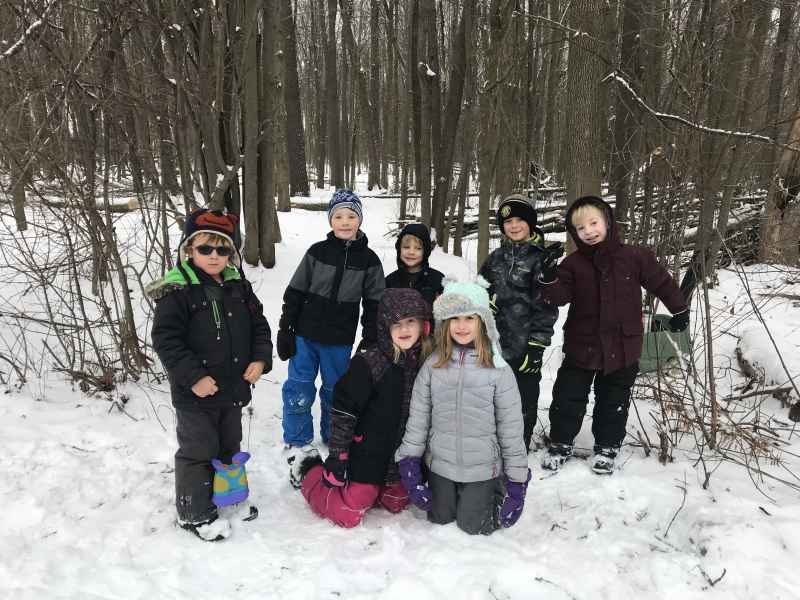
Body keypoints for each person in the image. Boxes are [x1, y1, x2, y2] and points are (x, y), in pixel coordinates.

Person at [539, 195, 689, 474]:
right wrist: (549, 278)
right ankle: (560, 442)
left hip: (623, 346)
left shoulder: (634, 257)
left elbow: (661, 282)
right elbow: (558, 297)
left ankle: (607, 447)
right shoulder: (572, 265)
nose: (589, 232)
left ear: (607, 222)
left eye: (594, 223)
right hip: (581, 346)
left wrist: (679, 309)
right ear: (574, 233)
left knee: (614, 400)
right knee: (568, 397)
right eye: (581, 229)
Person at [149, 209, 272, 541]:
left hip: (233, 388)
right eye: (205, 249)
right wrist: (193, 378)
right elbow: (166, 340)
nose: (215, 256)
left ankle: (227, 497)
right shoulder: (177, 291)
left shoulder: (238, 286)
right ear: (189, 250)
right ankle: (194, 512)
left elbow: (259, 326)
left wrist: (260, 359)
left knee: (229, 445)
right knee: (199, 448)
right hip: (197, 394)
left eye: (223, 250)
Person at [395, 279, 531, 535]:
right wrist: (410, 462)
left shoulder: (498, 370)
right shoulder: (433, 365)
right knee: (439, 518)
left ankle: (496, 489)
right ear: (444, 324)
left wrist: (517, 481)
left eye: (470, 317)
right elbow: (419, 418)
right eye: (454, 318)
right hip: (441, 465)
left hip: (481, 467)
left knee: (472, 527)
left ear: (483, 322)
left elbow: (511, 429)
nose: (461, 325)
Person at [293, 288, 434, 528]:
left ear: (424, 325)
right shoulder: (370, 363)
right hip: (367, 455)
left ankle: (381, 488)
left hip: (400, 458)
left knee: (397, 501)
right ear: (384, 326)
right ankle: (309, 471)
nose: (404, 329)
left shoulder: (427, 362)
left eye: (411, 321)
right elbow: (344, 410)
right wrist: (338, 456)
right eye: (396, 323)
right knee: (349, 514)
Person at [276, 189, 385, 485]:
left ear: (359, 220)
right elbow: (295, 291)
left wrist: (370, 338)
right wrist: (286, 328)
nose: (345, 221)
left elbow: (375, 304)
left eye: (351, 216)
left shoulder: (370, 261)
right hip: (305, 336)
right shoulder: (316, 253)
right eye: (338, 216)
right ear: (330, 220)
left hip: (339, 340)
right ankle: (298, 440)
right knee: (298, 386)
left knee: (335, 390)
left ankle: (331, 433)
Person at [479, 194, 561, 452]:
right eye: (508, 221)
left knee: (523, 400)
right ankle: (490, 445)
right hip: (493, 345)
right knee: (491, 397)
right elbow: (480, 290)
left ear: (531, 223)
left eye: (520, 220)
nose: (514, 226)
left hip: (525, 346)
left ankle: (518, 448)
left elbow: (547, 306)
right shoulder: (495, 258)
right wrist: (484, 302)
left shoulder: (541, 259)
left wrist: (536, 346)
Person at [385, 223, 444, 307]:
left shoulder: (438, 280)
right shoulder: (389, 282)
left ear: (425, 251)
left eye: (418, 248)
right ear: (399, 249)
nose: (411, 252)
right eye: (406, 247)